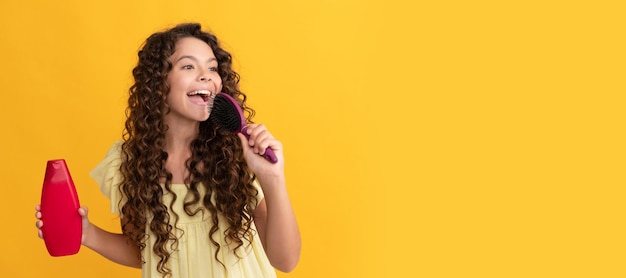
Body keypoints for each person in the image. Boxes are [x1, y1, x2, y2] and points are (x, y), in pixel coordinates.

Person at [35, 22, 301, 278]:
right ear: (158, 82)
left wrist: (272, 178)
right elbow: (150, 251)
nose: (206, 75)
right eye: (188, 66)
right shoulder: (129, 163)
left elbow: (285, 260)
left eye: (212, 68)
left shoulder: (238, 157)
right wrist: (87, 234)